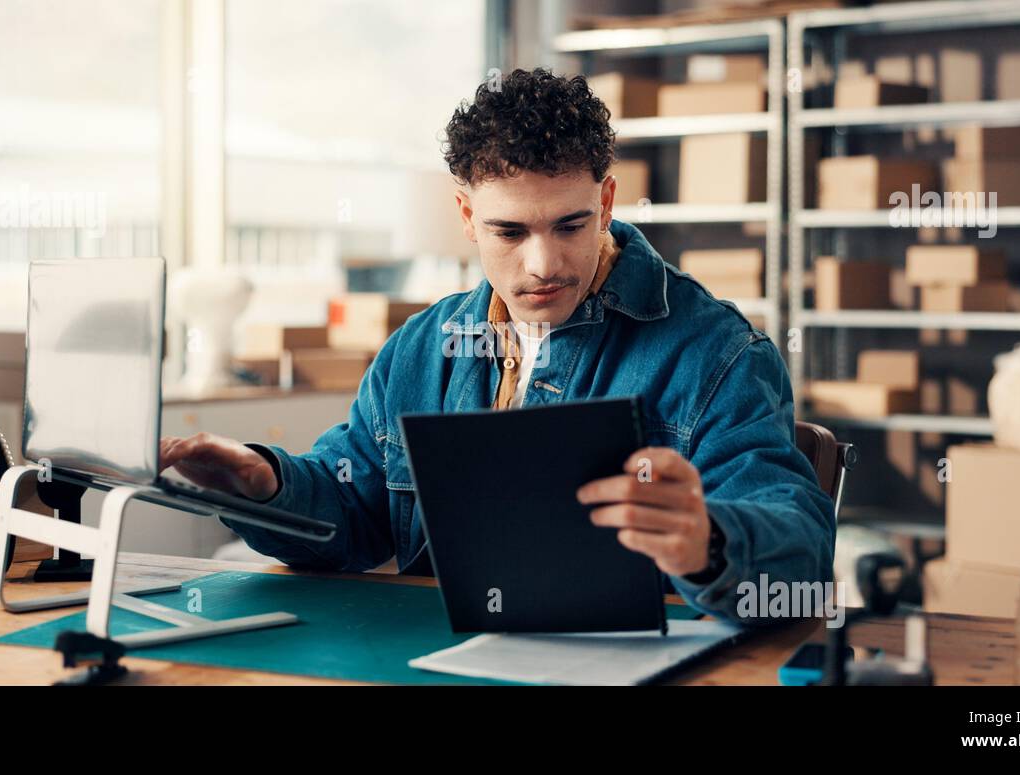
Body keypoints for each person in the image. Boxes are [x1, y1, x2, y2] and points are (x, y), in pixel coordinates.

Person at [159, 67, 835, 622]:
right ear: (466, 217)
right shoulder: (419, 350)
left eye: (570, 225)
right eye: (510, 232)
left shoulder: (719, 355)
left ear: (605, 202)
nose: (543, 263)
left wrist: (708, 542)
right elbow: (351, 516)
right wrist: (266, 485)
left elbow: (801, 559)